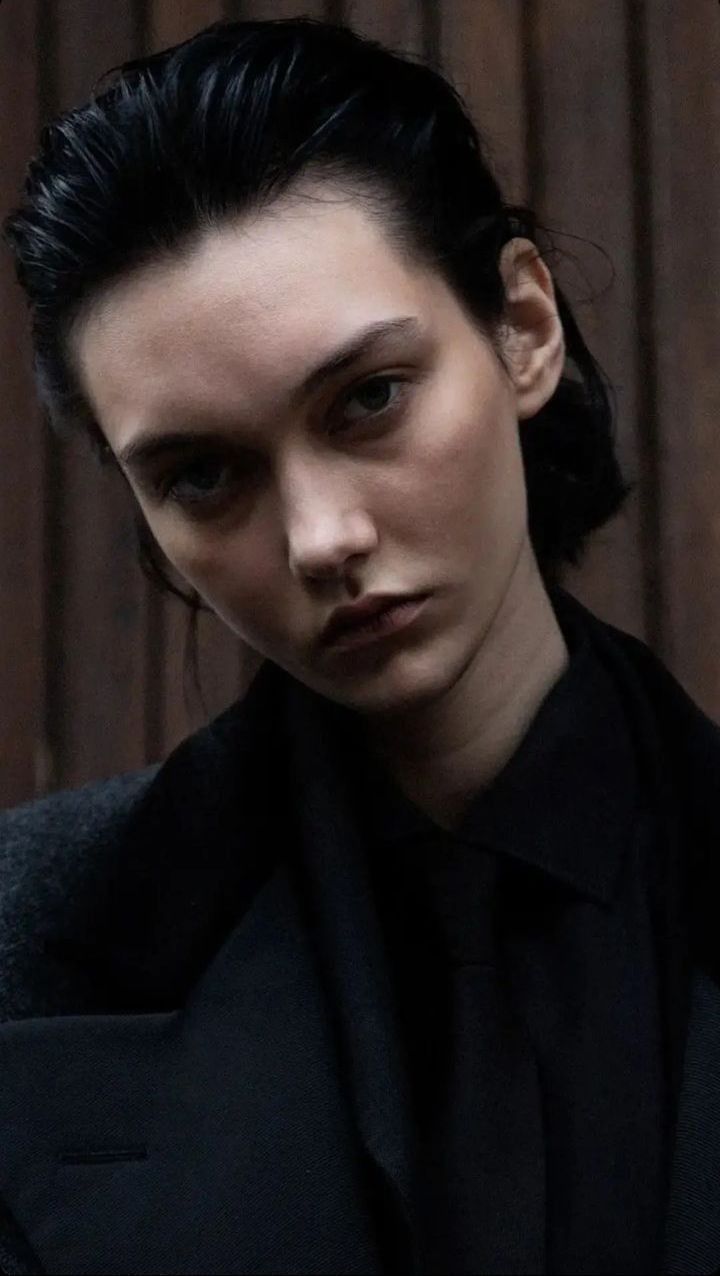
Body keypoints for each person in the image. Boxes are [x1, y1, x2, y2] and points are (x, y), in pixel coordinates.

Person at [0, 15, 718, 1275]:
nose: (321, 538)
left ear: (523, 329)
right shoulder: (28, 955)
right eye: (206, 474)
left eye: (368, 398)